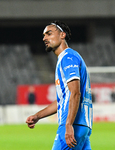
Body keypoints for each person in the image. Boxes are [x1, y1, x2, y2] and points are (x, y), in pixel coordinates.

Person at [26, 20, 93, 150]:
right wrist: (38, 116)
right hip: (83, 126)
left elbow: (75, 92)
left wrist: (68, 124)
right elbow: (63, 100)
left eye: (49, 33)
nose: (45, 38)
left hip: (73, 125)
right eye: (44, 35)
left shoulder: (68, 57)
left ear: (62, 35)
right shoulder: (66, 58)